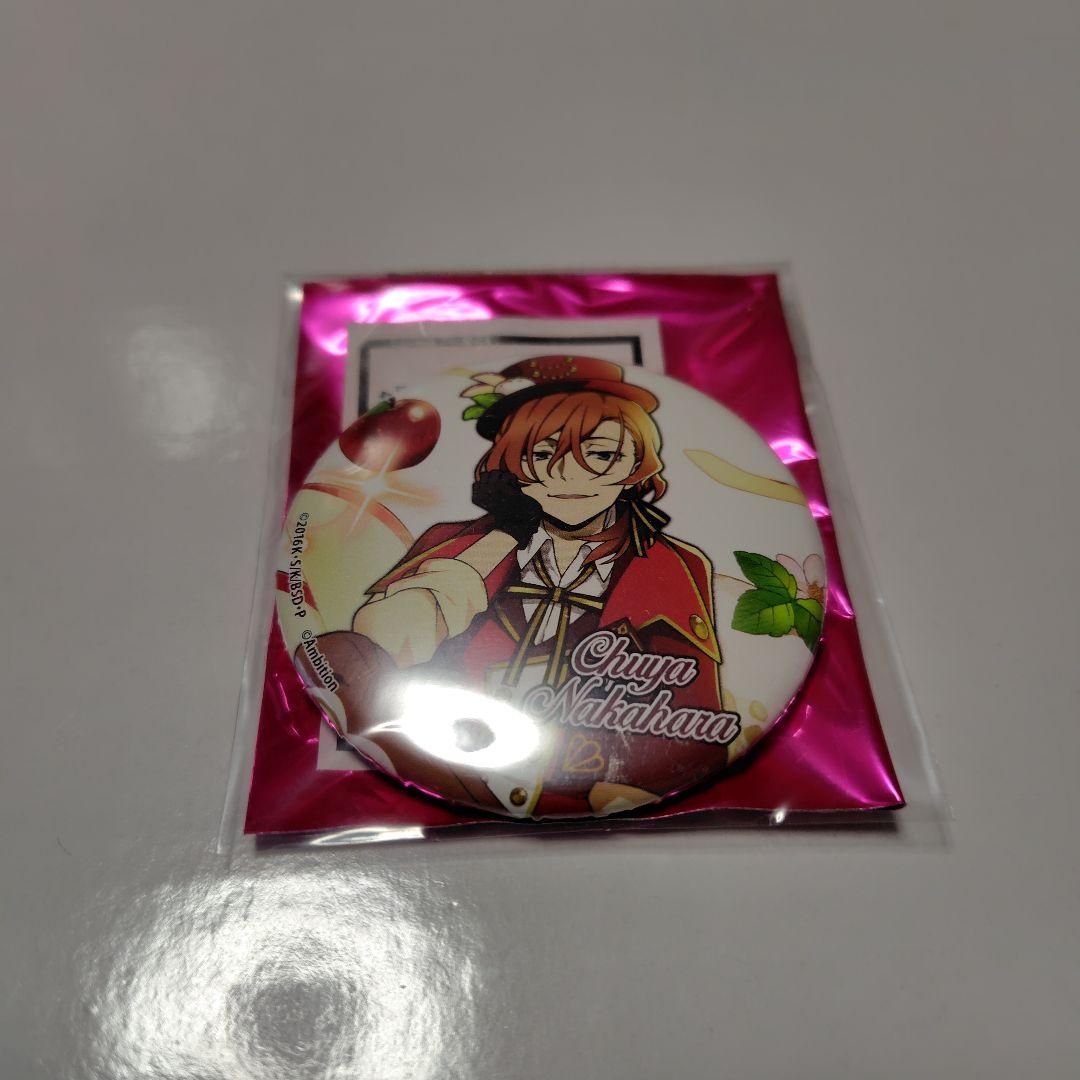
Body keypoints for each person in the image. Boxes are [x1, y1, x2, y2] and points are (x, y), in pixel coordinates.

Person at [315, 356, 732, 817]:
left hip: (584, 790)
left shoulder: (670, 566)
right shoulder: (458, 544)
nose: (569, 476)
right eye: (542, 455)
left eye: (601, 455)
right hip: (446, 769)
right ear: (509, 464)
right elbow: (377, 646)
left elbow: (694, 732)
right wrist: (505, 534)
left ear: (637, 465)